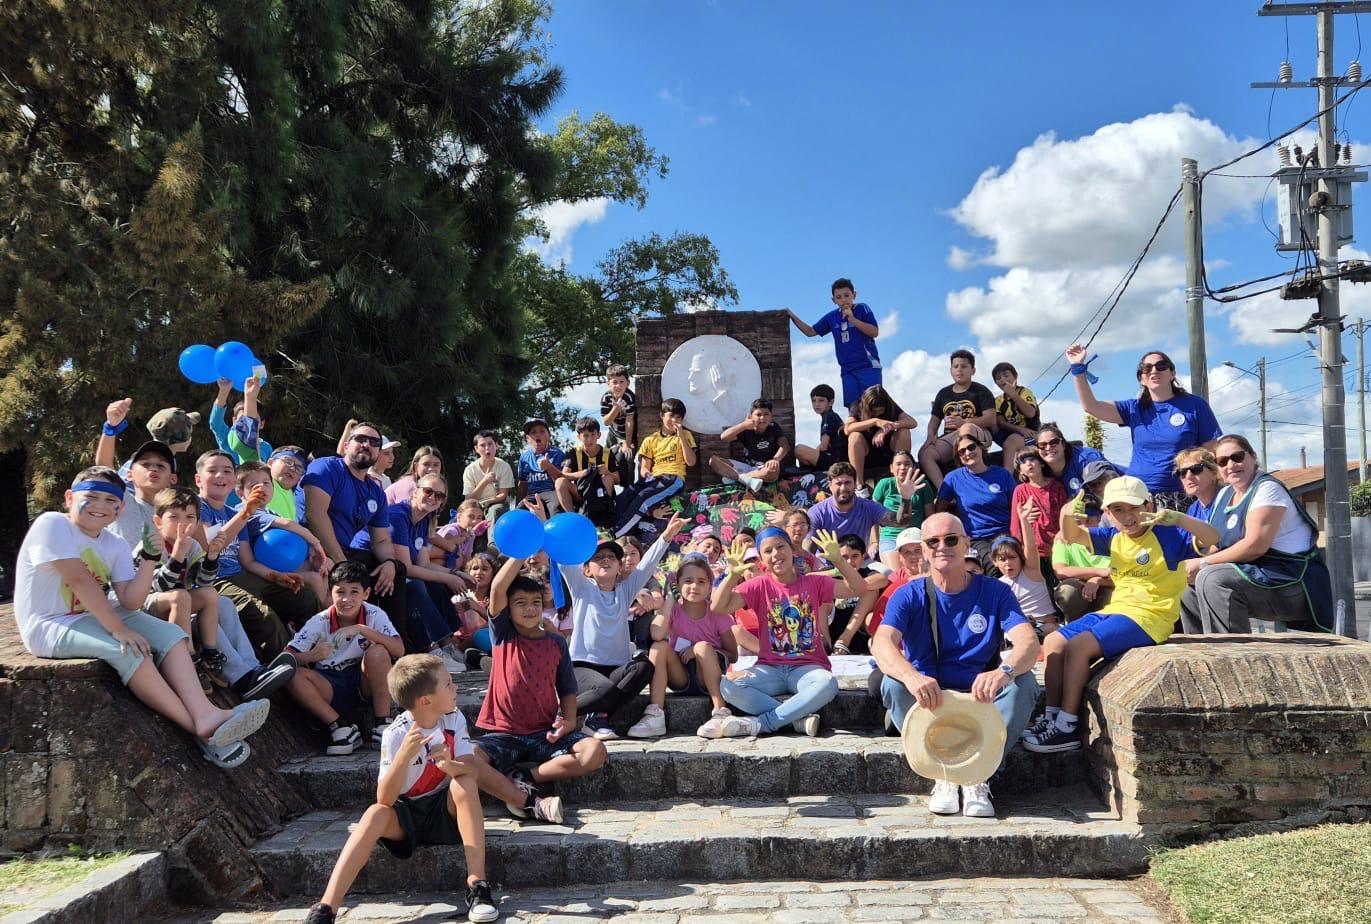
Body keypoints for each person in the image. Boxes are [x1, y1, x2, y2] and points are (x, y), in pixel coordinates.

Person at [14, 467, 272, 768]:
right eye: (91, 497)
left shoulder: (114, 543)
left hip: (97, 613)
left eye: (110, 500)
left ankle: (205, 713)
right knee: (129, 649)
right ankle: (199, 728)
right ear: (70, 498)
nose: (100, 506)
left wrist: (150, 560)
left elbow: (131, 600)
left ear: (120, 508)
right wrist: (118, 629)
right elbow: (79, 580)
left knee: (171, 635)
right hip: (51, 624)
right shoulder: (53, 524)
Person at [300, 653, 499, 924]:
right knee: (374, 813)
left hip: (444, 811)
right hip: (407, 815)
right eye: (448, 684)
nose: (455, 688)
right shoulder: (396, 733)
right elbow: (385, 798)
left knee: (464, 782)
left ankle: (477, 886)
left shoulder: (453, 718)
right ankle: (326, 908)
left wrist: (450, 766)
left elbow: (473, 770)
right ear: (426, 701)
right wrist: (403, 756)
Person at [1027, 478, 1218, 753]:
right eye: (1118, 510)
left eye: (1134, 508)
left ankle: (1067, 726)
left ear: (1148, 506)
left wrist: (1179, 518)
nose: (1128, 517)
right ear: (1108, 513)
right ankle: (1052, 716)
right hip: (1118, 609)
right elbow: (1070, 536)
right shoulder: (1112, 537)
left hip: (1150, 617)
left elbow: (1212, 539)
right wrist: (1068, 512)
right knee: (1053, 641)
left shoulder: (1169, 535)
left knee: (1078, 646)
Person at [872, 512, 1041, 817]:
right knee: (892, 683)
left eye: (951, 539)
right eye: (932, 542)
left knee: (1024, 683)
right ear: (924, 550)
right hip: (930, 698)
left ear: (966, 545)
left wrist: (1003, 672)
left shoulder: (996, 592)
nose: (942, 547)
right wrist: (911, 676)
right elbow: (882, 642)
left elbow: (1028, 642)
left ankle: (980, 773)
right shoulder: (908, 594)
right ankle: (943, 773)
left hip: (980, 698)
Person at [469, 556, 605, 823]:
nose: (530, 609)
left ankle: (524, 777)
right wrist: (523, 549)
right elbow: (497, 588)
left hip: (545, 735)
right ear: (508, 609)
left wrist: (568, 721)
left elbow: (567, 688)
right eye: (520, 603)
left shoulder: (556, 642)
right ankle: (528, 801)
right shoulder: (503, 634)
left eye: (536, 602)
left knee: (595, 752)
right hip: (502, 735)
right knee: (467, 757)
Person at [709, 528, 868, 737]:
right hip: (770, 669)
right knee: (728, 686)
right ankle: (796, 719)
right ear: (761, 559)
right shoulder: (758, 585)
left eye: (780, 547)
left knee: (828, 684)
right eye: (768, 551)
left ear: (792, 550)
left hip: (807, 668)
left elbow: (858, 589)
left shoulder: (814, 582)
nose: (776, 554)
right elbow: (718, 608)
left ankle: (764, 723)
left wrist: (839, 560)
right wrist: (732, 575)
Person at [1178, 434, 1334, 634]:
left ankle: (1233, 650)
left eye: (1237, 457)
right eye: (1222, 461)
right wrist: (1189, 569)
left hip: (1292, 581)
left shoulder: (1268, 489)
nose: (1231, 465)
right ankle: (1202, 649)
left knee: (1213, 578)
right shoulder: (1225, 494)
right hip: (1257, 576)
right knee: (1187, 586)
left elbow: (1255, 546)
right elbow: (1218, 543)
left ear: (1252, 457)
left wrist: (1203, 563)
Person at [556, 512, 688, 738]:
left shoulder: (625, 591)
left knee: (644, 668)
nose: (606, 560)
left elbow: (647, 565)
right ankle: (560, 714)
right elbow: (564, 558)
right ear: (587, 569)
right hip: (582, 667)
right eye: (598, 557)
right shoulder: (581, 587)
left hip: (616, 668)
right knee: (604, 689)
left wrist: (666, 536)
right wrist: (544, 523)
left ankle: (597, 717)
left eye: (611, 557)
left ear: (619, 567)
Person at [197, 451, 324, 660]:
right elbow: (211, 546)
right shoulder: (197, 506)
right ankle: (286, 667)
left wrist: (277, 577)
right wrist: (245, 513)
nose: (220, 475)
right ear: (198, 480)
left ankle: (319, 655)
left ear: (232, 480)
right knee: (265, 617)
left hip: (242, 575)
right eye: (212, 470)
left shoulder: (232, 513)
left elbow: (247, 561)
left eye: (227, 471)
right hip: (213, 580)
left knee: (305, 597)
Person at [1065, 345, 1221, 510]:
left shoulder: (1195, 405)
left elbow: (1210, 453)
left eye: (1161, 366)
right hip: (1138, 495)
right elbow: (1091, 406)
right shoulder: (1134, 408)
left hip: (1181, 495)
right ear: (1141, 379)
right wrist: (1077, 368)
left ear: (1172, 373)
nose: (1154, 371)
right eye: (1147, 368)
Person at [303, 422, 411, 647]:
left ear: (378, 452)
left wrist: (389, 562)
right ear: (346, 445)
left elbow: (381, 539)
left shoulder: (375, 491)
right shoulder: (326, 467)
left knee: (395, 570)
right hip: (310, 547)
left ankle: (395, 645)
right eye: (360, 439)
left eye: (374, 442)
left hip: (342, 552)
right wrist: (342, 563)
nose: (366, 445)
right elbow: (315, 515)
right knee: (349, 575)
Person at [284, 561, 405, 754]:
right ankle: (340, 727)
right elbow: (286, 658)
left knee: (378, 652)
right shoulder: (319, 621)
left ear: (366, 593)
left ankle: (383, 723)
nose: (346, 599)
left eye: (354, 592)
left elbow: (399, 649)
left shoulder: (374, 614)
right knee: (293, 675)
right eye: (340, 592)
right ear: (330, 593)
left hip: (363, 682)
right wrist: (311, 655)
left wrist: (362, 629)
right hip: (330, 685)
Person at [359, 473, 469, 673]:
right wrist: (448, 577)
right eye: (428, 491)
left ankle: (447, 644)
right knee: (415, 586)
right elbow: (407, 568)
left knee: (434, 583)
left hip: (393, 571)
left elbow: (424, 564)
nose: (433, 498)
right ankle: (431, 650)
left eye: (439, 496)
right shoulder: (398, 516)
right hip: (369, 568)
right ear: (415, 492)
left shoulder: (424, 520)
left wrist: (455, 573)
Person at [632, 554, 742, 738]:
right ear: (678, 584)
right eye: (688, 581)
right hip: (680, 676)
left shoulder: (717, 614)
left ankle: (720, 710)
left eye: (701, 582)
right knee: (659, 646)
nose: (694, 587)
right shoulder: (673, 610)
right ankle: (655, 714)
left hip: (707, 676)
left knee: (702, 647)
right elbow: (657, 634)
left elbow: (732, 655)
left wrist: (699, 649)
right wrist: (669, 599)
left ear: (709, 586)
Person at [149, 486, 230, 691]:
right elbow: (159, 586)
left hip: (179, 603)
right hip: (146, 606)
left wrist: (212, 555)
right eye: (174, 517)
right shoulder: (152, 544)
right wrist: (177, 555)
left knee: (209, 594)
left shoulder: (192, 545)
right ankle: (188, 658)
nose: (182, 523)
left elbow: (203, 582)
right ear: (158, 521)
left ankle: (210, 653)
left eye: (189, 517)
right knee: (179, 595)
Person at [785, 278, 882, 409]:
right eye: (839, 297)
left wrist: (852, 319)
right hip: (847, 370)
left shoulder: (862, 309)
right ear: (834, 300)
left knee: (874, 406)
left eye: (847, 295)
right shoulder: (832, 317)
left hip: (868, 366)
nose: (843, 300)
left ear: (854, 295)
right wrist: (791, 316)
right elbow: (810, 331)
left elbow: (874, 332)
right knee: (854, 408)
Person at [934, 427, 1017, 572]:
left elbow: (1015, 506)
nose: (967, 453)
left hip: (1006, 534)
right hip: (977, 538)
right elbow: (940, 509)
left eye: (971, 447)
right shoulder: (954, 478)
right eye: (961, 451)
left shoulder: (1002, 474)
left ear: (981, 448)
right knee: (994, 566)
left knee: (1015, 560)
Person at [613, 398, 695, 538]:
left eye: (678, 417)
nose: (674, 420)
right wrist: (647, 473)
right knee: (624, 497)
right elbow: (644, 468)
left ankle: (616, 534)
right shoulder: (650, 440)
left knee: (643, 498)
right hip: (654, 478)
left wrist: (681, 436)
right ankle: (614, 528)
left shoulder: (686, 435)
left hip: (673, 478)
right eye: (671, 415)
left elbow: (691, 462)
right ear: (662, 415)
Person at [919, 349, 997, 490]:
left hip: (979, 434)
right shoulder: (943, 393)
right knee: (925, 453)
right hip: (952, 438)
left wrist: (964, 422)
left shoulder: (981, 391)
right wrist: (931, 435)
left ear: (973, 370)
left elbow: (991, 419)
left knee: (966, 429)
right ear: (951, 370)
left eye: (964, 366)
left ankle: (972, 481)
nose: (959, 370)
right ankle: (944, 490)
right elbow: (934, 420)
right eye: (956, 366)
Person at [808, 461, 923, 555]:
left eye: (848, 483)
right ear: (830, 485)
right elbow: (807, 549)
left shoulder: (868, 507)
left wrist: (906, 498)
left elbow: (901, 522)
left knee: (886, 573)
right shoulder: (816, 512)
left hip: (860, 562)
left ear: (854, 484)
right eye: (838, 483)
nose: (843, 488)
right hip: (827, 564)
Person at [993, 509, 1057, 637]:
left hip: (1044, 628)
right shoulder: (998, 585)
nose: (1008, 563)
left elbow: (1031, 547)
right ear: (995, 562)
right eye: (1002, 559)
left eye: (1012, 557)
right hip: (1017, 630)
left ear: (1021, 557)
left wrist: (1024, 521)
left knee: (1050, 628)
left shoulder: (1030, 572)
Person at [822, 534, 889, 656]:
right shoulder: (829, 574)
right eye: (844, 557)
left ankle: (844, 639)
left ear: (863, 557)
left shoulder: (867, 573)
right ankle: (824, 644)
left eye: (855, 556)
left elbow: (882, 579)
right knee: (820, 594)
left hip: (858, 634)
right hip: (832, 630)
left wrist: (849, 588)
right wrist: (837, 571)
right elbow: (807, 580)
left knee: (871, 589)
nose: (849, 561)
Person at [709, 398, 789, 493]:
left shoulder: (773, 427)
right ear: (751, 417)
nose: (762, 418)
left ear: (771, 416)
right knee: (713, 460)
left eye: (766, 414)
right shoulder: (746, 429)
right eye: (758, 415)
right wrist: (743, 425)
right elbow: (723, 437)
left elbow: (785, 446)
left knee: (773, 473)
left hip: (763, 468)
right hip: (746, 466)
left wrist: (775, 459)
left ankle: (736, 478)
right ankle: (744, 479)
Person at [1051, 501, 1113, 623]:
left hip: (1108, 587)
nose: (1084, 526)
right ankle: (1074, 626)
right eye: (1078, 522)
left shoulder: (1110, 537)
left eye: (1089, 520)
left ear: (1099, 518)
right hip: (1079, 591)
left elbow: (1125, 576)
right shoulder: (1063, 540)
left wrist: (1097, 580)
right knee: (1068, 591)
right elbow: (1060, 571)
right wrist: (1098, 572)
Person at [845, 385, 917, 490]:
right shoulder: (857, 405)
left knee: (904, 432)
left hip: (889, 453)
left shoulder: (891, 405)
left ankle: (901, 481)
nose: (877, 414)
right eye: (874, 411)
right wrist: (875, 422)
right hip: (866, 454)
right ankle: (859, 485)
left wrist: (886, 427)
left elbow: (912, 422)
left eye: (880, 411)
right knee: (854, 437)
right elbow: (847, 429)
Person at [872, 451, 935, 569]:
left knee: (921, 570)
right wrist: (874, 542)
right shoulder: (884, 484)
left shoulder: (923, 485)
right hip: (891, 536)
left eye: (907, 464)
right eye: (898, 464)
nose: (902, 467)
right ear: (891, 468)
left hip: (916, 536)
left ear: (914, 467)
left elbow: (930, 516)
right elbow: (872, 516)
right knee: (896, 573)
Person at [1009, 446, 1067, 571]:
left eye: (1032, 459)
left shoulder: (1056, 486)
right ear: (1020, 470)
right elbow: (1015, 524)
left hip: (1058, 546)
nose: (1029, 464)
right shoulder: (1020, 490)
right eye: (1023, 462)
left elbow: (1065, 515)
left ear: (1041, 463)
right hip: (1034, 550)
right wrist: (1018, 548)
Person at [557, 417, 619, 528]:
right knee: (559, 482)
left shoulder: (607, 453)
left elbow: (617, 479)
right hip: (581, 491)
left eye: (592, 434)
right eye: (585, 435)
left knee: (608, 479)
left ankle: (606, 519)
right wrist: (585, 473)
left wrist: (607, 472)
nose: (589, 439)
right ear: (579, 437)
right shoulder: (573, 452)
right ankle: (573, 520)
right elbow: (564, 475)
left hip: (600, 493)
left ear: (599, 435)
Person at [1033, 422, 1116, 497]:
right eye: (1042, 445)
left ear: (1063, 444)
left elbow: (1112, 490)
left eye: (1054, 442)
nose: (1048, 448)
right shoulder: (1036, 468)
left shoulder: (1087, 458)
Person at [210, 375, 274, 464]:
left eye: (254, 419)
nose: (248, 423)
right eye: (242, 419)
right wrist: (224, 391)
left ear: (262, 424)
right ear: (234, 421)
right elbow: (215, 422)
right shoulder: (227, 437)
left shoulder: (266, 447)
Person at [991, 362, 1040, 471]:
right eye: (998, 378)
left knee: (1010, 443)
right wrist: (1019, 429)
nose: (1003, 380)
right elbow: (1001, 423)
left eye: (1006, 376)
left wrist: (1013, 395)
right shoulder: (998, 400)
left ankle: (1007, 476)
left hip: (1031, 434)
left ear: (1015, 376)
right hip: (1013, 432)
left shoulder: (1025, 392)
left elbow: (1030, 413)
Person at [793, 383, 848, 471]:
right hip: (839, 458)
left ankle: (809, 473)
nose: (817, 404)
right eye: (813, 401)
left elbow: (823, 446)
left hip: (836, 460)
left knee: (799, 450)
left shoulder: (829, 416)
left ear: (831, 402)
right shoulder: (832, 416)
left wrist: (812, 456)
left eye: (821, 400)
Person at [516, 418, 566, 513]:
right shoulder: (524, 457)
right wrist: (517, 504)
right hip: (532, 495)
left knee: (556, 506)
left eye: (542, 431)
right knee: (519, 512)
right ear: (528, 438)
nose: (537, 434)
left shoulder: (558, 454)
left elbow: (562, 480)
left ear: (549, 436)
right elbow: (522, 484)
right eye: (533, 432)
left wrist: (549, 467)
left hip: (551, 492)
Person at [463, 431, 515, 521]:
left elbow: (503, 494)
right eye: (482, 445)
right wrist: (485, 481)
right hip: (475, 505)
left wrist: (488, 502)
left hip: (497, 504)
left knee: (494, 511)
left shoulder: (504, 466)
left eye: (490, 444)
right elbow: (469, 499)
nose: (487, 448)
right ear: (476, 449)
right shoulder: (470, 470)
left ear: (496, 445)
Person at [600, 363, 638, 486]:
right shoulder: (606, 398)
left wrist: (627, 443)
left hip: (629, 434)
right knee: (605, 458)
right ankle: (606, 487)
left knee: (627, 457)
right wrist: (615, 409)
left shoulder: (630, 397)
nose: (618, 386)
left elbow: (629, 421)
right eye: (614, 382)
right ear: (608, 384)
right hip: (613, 433)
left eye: (622, 382)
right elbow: (606, 422)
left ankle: (629, 487)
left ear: (628, 383)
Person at [1174, 447, 1223, 531]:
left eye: (1196, 469)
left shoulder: (1229, 500)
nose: (1188, 476)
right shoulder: (1193, 511)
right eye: (1182, 472)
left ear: (1214, 473)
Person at [266, 446, 309, 523]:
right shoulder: (261, 481)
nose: (293, 469)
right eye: (288, 462)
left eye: (299, 469)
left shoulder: (295, 499)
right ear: (270, 463)